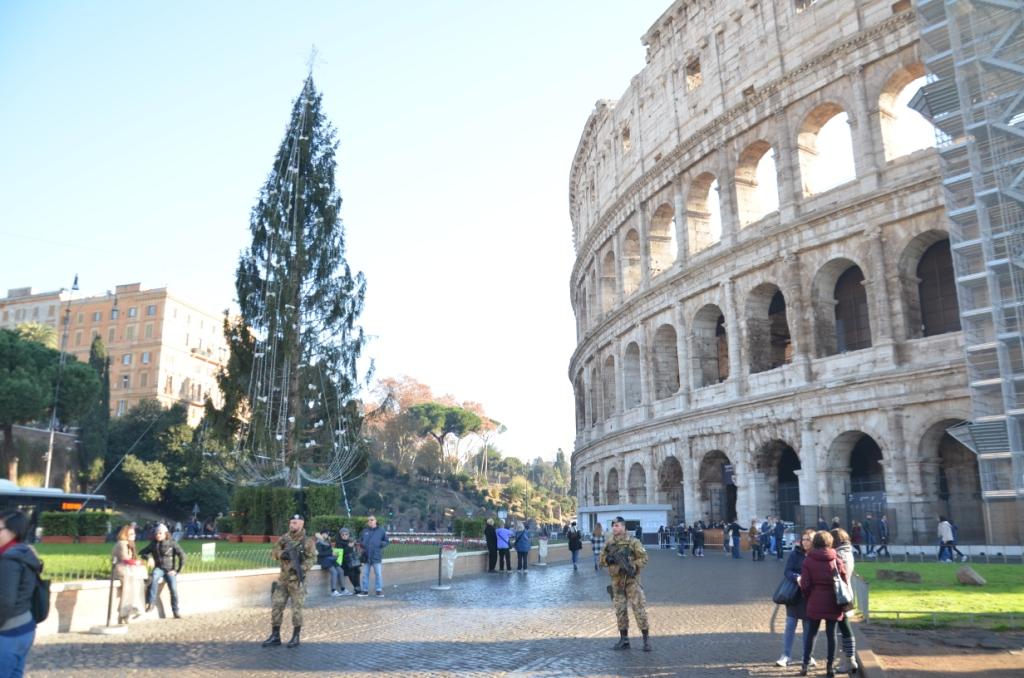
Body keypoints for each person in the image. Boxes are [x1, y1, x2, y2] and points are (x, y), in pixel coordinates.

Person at [261, 514, 316, 648]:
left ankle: (296, 636)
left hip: (296, 580)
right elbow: (273, 551)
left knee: (297, 609)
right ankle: (275, 636)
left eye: (295, 523)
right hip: (283, 580)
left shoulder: (307, 541)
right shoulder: (284, 539)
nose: (292, 525)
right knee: (276, 606)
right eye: (291, 522)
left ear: (301, 524)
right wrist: (281, 554)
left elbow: (312, 558)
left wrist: (301, 568)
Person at [799, 530, 849, 676]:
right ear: (830, 542)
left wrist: (809, 597)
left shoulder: (808, 560)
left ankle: (805, 665)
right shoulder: (836, 559)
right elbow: (844, 580)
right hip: (833, 601)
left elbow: (805, 584)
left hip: (815, 600)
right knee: (831, 634)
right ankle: (829, 667)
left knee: (811, 633)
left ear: (815, 542)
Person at [600, 516, 651, 651]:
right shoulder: (609, 543)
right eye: (613, 526)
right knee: (620, 610)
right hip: (617, 583)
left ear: (623, 527)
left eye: (617, 525)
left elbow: (644, 558)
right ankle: (624, 640)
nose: (614, 528)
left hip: (632, 581)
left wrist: (632, 566)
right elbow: (601, 560)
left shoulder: (633, 542)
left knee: (639, 609)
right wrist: (609, 559)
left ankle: (646, 640)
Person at [0, 511, 42, 677]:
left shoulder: (9, 560)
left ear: (13, 532)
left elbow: (5, 601)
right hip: (24, 626)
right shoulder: (24, 553)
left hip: (8, 631)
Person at [776, 529, 818, 668]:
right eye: (804, 539)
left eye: (809, 539)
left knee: (808, 628)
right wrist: (797, 577)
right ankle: (786, 655)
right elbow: (787, 571)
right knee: (790, 625)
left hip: (810, 596)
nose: (806, 542)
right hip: (794, 595)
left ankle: (807, 656)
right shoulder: (795, 553)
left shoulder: (816, 555)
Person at [139, 523, 186, 619]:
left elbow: (182, 555)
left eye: (160, 533)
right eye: (156, 533)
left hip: (170, 570)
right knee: (154, 578)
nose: (157, 535)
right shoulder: (153, 544)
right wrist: (148, 557)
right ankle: (151, 603)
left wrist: (177, 571)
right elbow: (142, 552)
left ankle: (175, 610)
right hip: (159, 568)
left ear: (165, 534)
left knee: (173, 589)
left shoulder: (172, 543)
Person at [830, 528, 859, 674]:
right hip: (846, 594)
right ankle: (849, 659)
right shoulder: (848, 551)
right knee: (844, 628)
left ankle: (848, 660)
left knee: (843, 630)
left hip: (840, 595)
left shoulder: (839, 554)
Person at [112, 524, 145, 624]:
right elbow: (125, 559)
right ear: (125, 534)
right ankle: (127, 610)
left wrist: (139, 562)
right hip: (121, 569)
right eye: (131, 534)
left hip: (129, 569)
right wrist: (137, 563)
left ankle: (134, 608)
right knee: (130, 587)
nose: (133, 535)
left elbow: (133, 558)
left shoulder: (130, 544)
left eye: (134, 534)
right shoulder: (122, 544)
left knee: (138, 583)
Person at [358, 515, 389, 596]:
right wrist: (362, 544)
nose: (370, 521)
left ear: (375, 521)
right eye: (368, 520)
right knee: (365, 574)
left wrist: (380, 544)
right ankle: (365, 590)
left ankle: (379, 590)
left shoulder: (381, 530)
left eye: (372, 520)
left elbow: (386, 541)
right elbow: (360, 540)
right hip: (366, 555)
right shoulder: (364, 531)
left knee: (378, 574)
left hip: (376, 555)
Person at [314, 531, 344, 597]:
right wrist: (331, 553)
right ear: (321, 534)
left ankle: (343, 589)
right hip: (323, 560)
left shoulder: (327, 542)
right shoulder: (319, 543)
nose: (326, 535)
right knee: (334, 572)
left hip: (331, 559)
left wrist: (333, 554)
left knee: (341, 571)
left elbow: (330, 551)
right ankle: (333, 591)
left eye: (327, 534)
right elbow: (319, 554)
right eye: (325, 533)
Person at [335, 527, 360, 595]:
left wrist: (353, 546)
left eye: (346, 534)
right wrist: (349, 547)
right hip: (345, 562)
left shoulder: (350, 541)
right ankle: (356, 587)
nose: (345, 536)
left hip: (352, 561)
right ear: (340, 535)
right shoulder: (339, 543)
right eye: (343, 534)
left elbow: (354, 552)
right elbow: (341, 553)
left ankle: (358, 587)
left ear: (348, 534)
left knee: (357, 571)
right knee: (351, 572)